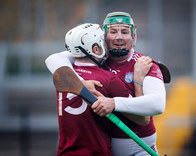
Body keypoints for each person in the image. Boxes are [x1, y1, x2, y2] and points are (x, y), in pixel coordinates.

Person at [45, 12, 167, 156]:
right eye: (113, 31)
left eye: (125, 32)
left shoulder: (145, 64)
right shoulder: (95, 56)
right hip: (105, 148)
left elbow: (157, 104)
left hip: (140, 148)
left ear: (133, 37)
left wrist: (114, 102)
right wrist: (80, 83)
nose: (119, 37)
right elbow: (53, 59)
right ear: (104, 37)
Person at [52, 23, 137, 156]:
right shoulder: (109, 79)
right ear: (96, 49)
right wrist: (139, 80)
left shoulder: (64, 76)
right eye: (102, 43)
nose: (106, 47)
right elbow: (141, 118)